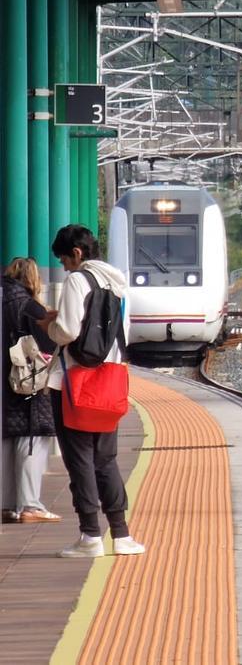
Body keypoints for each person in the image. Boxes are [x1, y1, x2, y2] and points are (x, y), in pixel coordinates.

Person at [37, 225, 144, 558]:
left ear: (78, 254)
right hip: (109, 379)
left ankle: (90, 537)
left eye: (65, 260)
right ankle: (122, 535)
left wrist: (49, 326)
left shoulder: (77, 280)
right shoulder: (118, 283)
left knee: (79, 459)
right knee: (105, 459)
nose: (65, 266)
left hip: (75, 383)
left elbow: (68, 330)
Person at [2, 258, 62, 525]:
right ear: (32, 279)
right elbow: (51, 341)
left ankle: (6, 506)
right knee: (32, 441)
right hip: (26, 383)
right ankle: (30, 505)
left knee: (5, 443)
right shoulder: (31, 307)